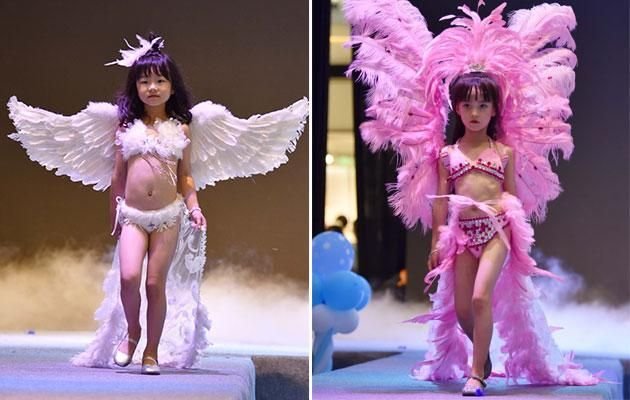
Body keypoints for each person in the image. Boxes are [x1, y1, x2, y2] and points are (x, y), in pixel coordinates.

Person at [8, 34, 308, 374]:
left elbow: (186, 176)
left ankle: (151, 351)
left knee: (154, 284)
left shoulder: (183, 127)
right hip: (133, 216)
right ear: (135, 87)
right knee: (129, 277)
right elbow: (118, 176)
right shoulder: (125, 125)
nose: (152, 87)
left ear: (171, 85)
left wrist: (195, 208)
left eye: (160, 80)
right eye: (144, 81)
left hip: (168, 217)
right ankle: (132, 332)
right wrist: (114, 213)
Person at [343, 1, 601, 396]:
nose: (475, 112)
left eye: (483, 104)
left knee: (482, 298)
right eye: (467, 105)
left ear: (495, 109)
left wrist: (515, 235)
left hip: (497, 232)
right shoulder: (448, 155)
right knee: (463, 308)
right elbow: (441, 201)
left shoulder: (504, 153)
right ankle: (483, 355)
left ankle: (476, 372)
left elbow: (511, 197)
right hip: (461, 237)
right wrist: (436, 242)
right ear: (457, 108)